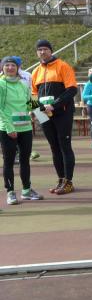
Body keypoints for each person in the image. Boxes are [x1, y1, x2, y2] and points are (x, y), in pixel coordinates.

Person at [30, 39, 77, 195]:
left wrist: (54, 105)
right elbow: (33, 94)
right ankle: (61, 179)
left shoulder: (63, 66)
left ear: (51, 50)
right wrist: (33, 110)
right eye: (39, 50)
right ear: (37, 53)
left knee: (64, 145)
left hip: (62, 112)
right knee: (54, 147)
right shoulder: (36, 71)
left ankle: (68, 182)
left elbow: (72, 90)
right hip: (43, 114)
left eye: (45, 49)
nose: (42, 52)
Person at [0, 56, 42, 205]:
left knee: (25, 160)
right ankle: (10, 192)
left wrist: (43, 116)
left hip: (25, 127)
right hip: (7, 129)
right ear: (2, 68)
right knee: (9, 161)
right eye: (7, 65)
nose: (10, 67)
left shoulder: (23, 84)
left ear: (18, 68)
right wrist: (9, 128)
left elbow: (30, 102)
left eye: (13, 65)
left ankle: (26, 190)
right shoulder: (1, 84)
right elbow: (0, 109)